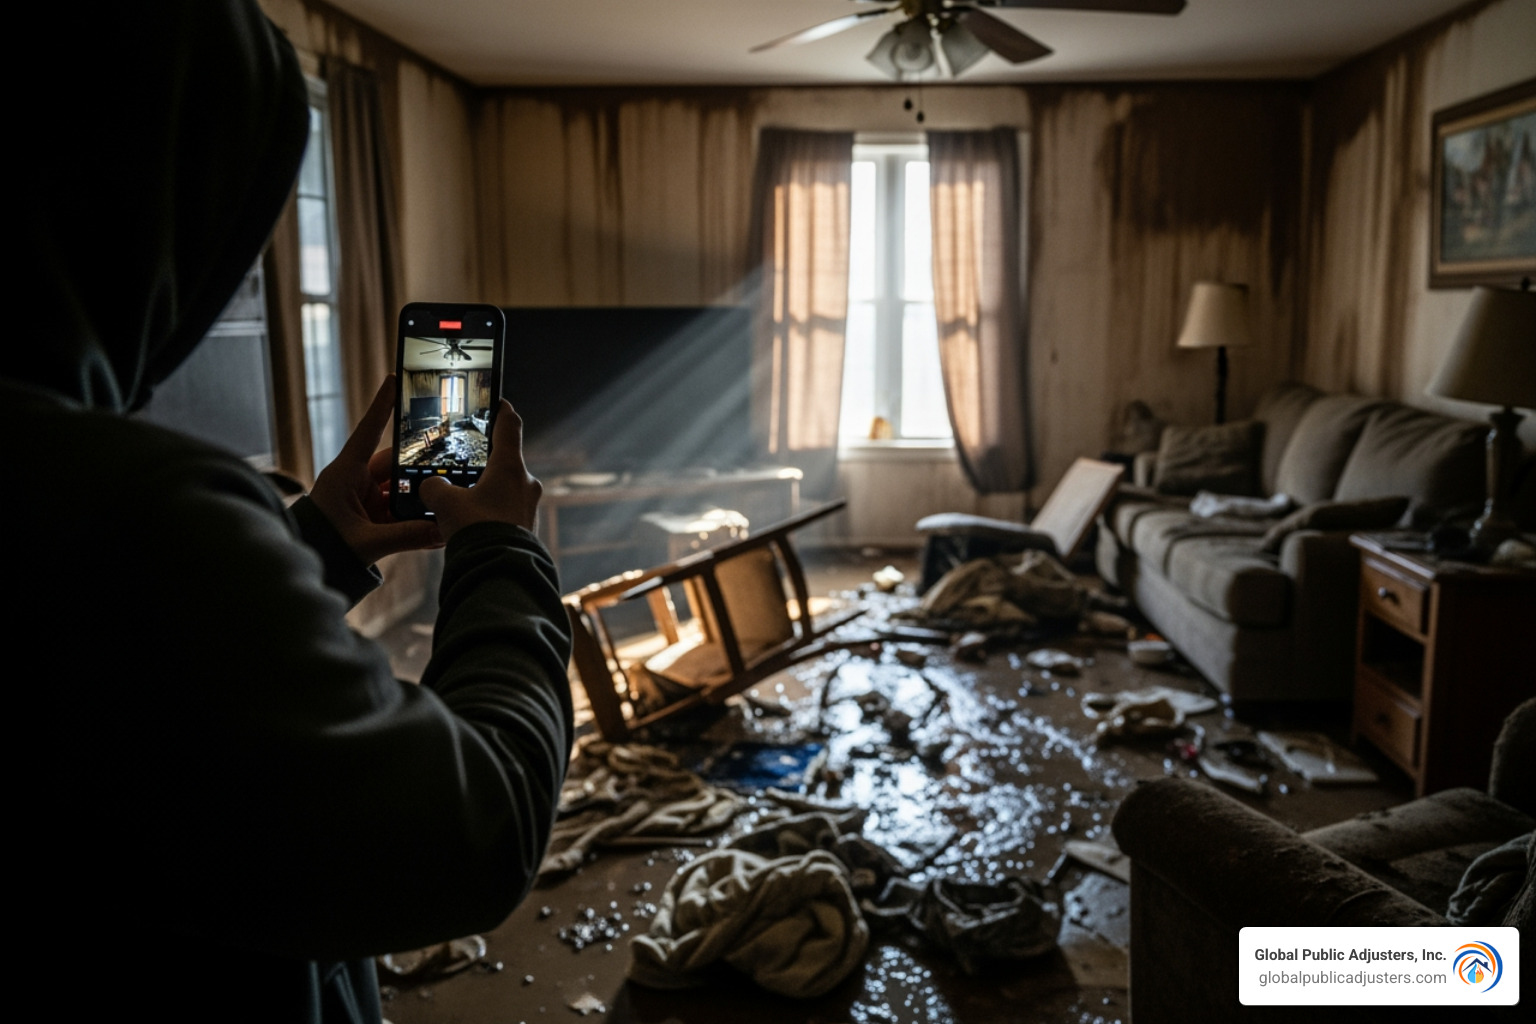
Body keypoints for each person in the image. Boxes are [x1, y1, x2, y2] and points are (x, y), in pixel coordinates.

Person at [12, 3, 572, 1021]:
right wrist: (501, 547)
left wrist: (315, 539)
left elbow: (146, 710)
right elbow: (476, 833)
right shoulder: (122, 507)